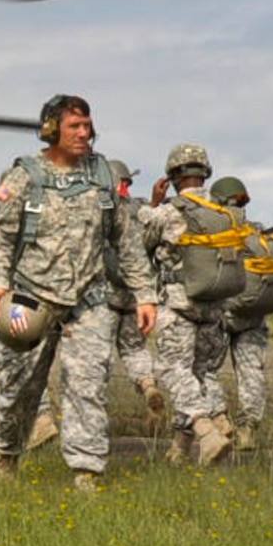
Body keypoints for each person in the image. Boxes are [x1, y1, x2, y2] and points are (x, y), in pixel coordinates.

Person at [0, 94, 158, 491]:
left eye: (87, 125)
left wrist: (145, 293)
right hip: (31, 297)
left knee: (88, 385)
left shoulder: (103, 175)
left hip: (89, 300)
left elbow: (126, 240)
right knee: (19, 388)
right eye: (75, 126)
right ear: (50, 130)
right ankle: (7, 457)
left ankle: (86, 474)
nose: (84, 133)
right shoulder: (24, 176)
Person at [138, 145, 240, 465]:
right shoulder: (224, 212)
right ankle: (188, 444)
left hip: (179, 303)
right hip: (215, 306)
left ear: (173, 175)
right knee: (203, 372)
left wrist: (153, 204)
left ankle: (205, 429)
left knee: (173, 370)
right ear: (204, 171)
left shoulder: (170, 212)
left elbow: (140, 243)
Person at [210, 176, 273, 451]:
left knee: (206, 369)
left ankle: (220, 420)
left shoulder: (217, 231)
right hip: (254, 316)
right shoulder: (259, 232)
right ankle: (248, 426)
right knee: (252, 372)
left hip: (222, 312)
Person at [105, 159, 166, 422]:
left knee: (100, 353)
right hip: (135, 296)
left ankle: (95, 409)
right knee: (134, 349)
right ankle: (148, 384)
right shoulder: (140, 207)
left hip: (104, 295)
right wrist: (155, 202)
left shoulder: (101, 207)